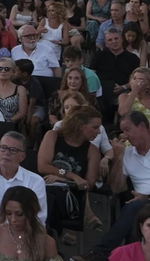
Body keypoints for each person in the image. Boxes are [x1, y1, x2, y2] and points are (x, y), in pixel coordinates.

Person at [71, 111, 150, 261]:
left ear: (142, 127)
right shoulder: (128, 154)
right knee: (136, 212)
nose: (124, 136)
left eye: (127, 130)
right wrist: (119, 157)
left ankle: (101, 255)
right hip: (141, 207)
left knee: (135, 209)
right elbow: (116, 188)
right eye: (122, 132)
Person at [36, 103, 102, 243]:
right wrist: (71, 175)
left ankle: (47, 238)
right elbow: (42, 167)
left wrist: (63, 180)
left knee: (51, 198)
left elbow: (88, 184)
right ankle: (49, 239)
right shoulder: (53, 136)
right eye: (95, 127)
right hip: (44, 189)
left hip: (71, 198)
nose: (99, 132)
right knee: (48, 196)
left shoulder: (93, 151)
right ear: (80, 125)